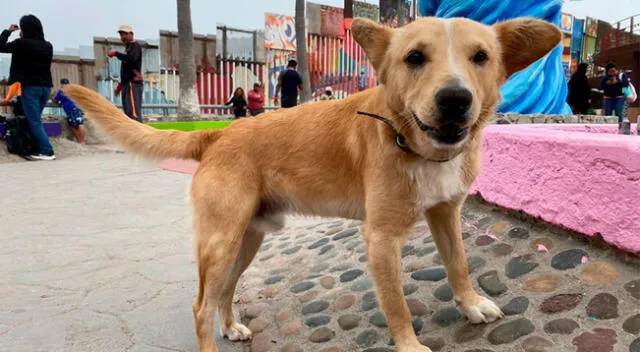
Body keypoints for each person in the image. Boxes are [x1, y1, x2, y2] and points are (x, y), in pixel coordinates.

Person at [0, 15, 56, 160]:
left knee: (34, 120)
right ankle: (34, 147)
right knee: (34, 118)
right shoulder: (48, 45)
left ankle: (47, 151)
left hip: (30, 87)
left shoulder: (21, 44)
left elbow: (0, 46)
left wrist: (8, 31)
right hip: (45, 88)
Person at [109, 25, 143, 122]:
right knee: (128, 113)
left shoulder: (135, 46)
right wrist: (120, 86)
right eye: (121, 34)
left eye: (125, 34)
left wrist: (116, 54)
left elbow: (132, 59)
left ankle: (138, 136)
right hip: (127, 84)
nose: (123, 37)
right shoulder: (128, 48)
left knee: (133, 114)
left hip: (133, 84)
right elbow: (127, 71)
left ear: (131, 34)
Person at [52, 78, 86, 144]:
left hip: (70, 110)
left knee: (78, 125)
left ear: (61, 84)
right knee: (74, 125)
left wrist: (53, 97)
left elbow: (55, 100)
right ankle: (80, 140)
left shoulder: (61, 91)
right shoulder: (72, 90)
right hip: (75, 108)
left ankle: (81, 141)